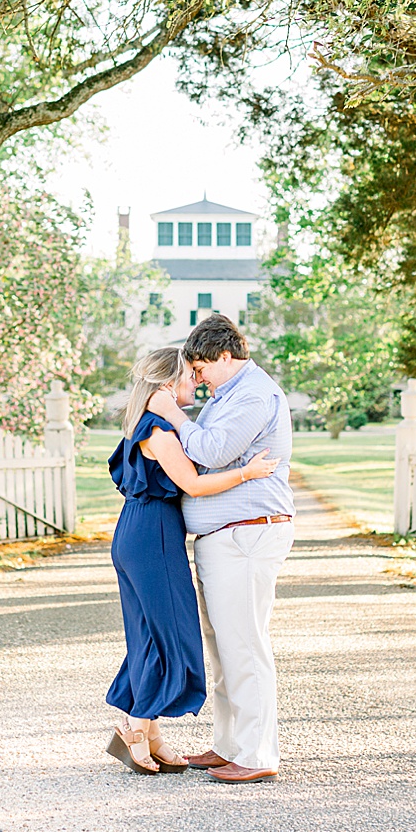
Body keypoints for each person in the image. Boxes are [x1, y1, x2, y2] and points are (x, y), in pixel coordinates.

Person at [105, 345, 280, 776]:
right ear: (167, 384)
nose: (196, 382)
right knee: (168, 637)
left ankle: (152, 734)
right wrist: (247, 473)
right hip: (154, 538)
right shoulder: (161, 431)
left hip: (141, 532)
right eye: (189, 375)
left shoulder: (151, 425)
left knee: (151, 633)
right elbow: (193, 485)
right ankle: (133, 728)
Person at [145, 313, 295, 784]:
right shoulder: (230, 395)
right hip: (226, 537)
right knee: (224, 647)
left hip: (247, 533)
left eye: (200, 368)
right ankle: (231, 743)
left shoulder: (254, 395)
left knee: (245, 644)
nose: (197, 378)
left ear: (225, 356)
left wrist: (174, 416)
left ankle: (256, 754)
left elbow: (210, 451)